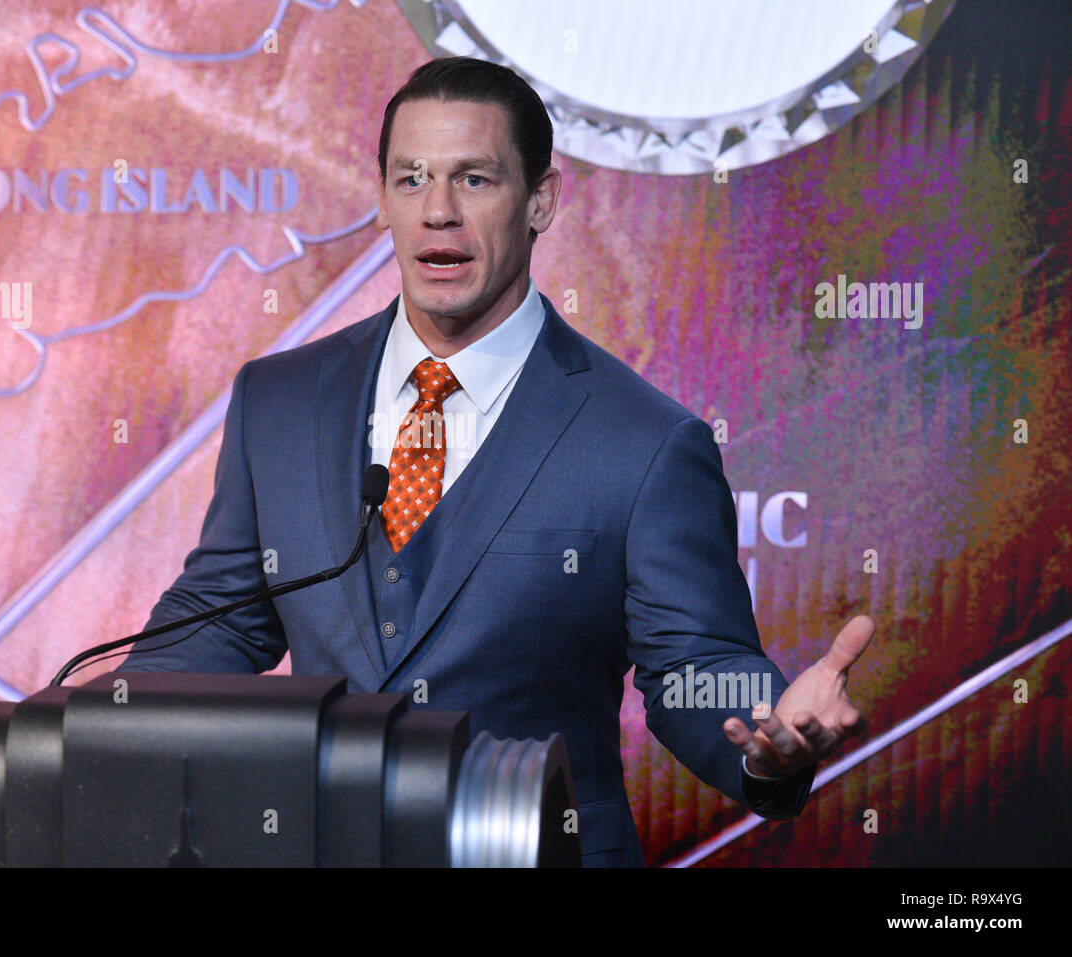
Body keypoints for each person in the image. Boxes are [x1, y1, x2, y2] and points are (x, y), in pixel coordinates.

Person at [120, 56, 872, 866]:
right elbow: (223, 617)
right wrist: (94, 718)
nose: (437, 212)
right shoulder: (278, 401)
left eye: (474, 180)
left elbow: (695, 662)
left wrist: (764, 732)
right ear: (381, 198)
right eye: (411, 179)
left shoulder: (647, 443)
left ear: (540, 200)